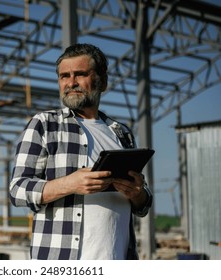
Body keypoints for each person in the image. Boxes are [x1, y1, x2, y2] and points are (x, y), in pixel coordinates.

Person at [9, 43, 153, 260]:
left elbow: (143, 204)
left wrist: (137, 193)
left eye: (80, 74)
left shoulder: (121, 133)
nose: (71, 82)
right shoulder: (45, 124)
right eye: (64, 76)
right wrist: (71, 183)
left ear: (102, 82)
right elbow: (17, 189)